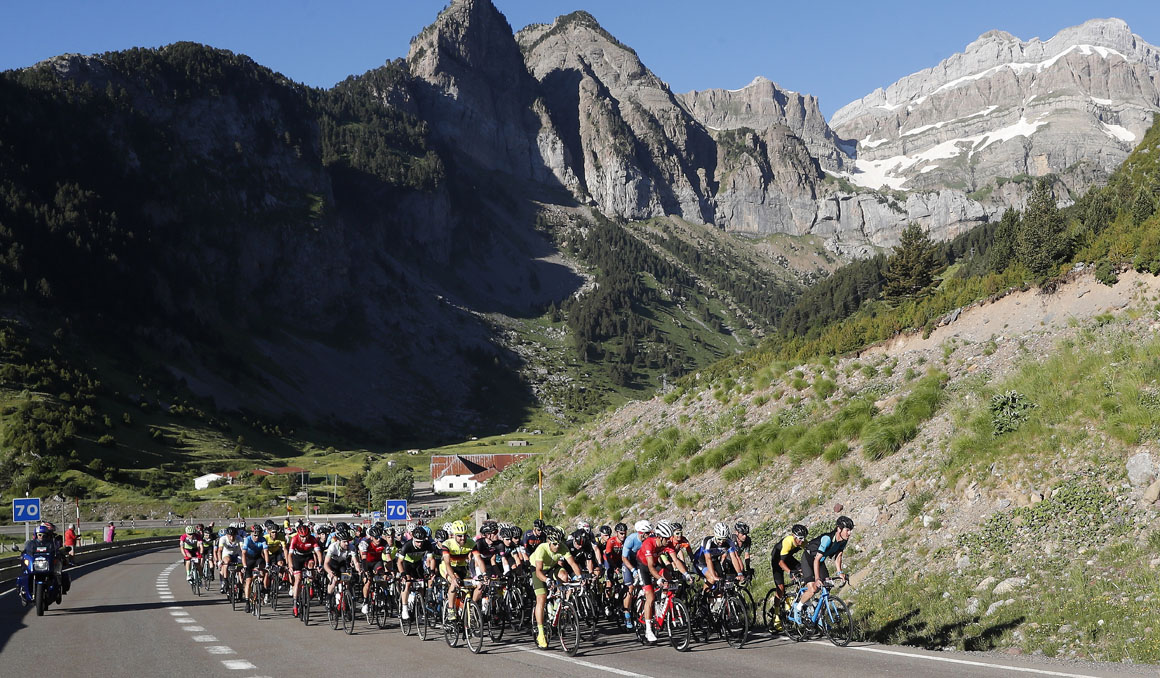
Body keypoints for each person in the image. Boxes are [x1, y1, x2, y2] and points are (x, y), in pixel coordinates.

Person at [794, 516, 854, 621]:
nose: (849, 533)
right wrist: (817, 578)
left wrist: (840, 572)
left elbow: (838, 557)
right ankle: (798, 607)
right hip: (808, 559)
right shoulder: (827, 539)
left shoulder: (843, 541)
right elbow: (816, 560)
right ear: (839, 529)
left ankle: (818, 616)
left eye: (850, 530)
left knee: (827, 585)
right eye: (847, 530)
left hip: (819, 561)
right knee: (813, 589)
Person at [529, 526, 579, 649]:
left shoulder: (563, 548)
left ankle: (558, 604)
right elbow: (539, 571)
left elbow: (573, 564)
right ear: (549, 542)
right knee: (542, 597)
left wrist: (580, 578)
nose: (557, 546)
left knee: (564, 575)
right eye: (554, 544)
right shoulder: (542, 548)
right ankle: (541, 633)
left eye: (559, 543)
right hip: (538, 570)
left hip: (551, 568)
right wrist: (547, 580)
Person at [440, 520, 478, 620]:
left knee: (468, 587)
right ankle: (451, 609)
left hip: (462, 567)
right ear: (454, 535)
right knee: (455, 582)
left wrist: (481, 574)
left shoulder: (470, 543)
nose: (463, 538)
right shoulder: (447, 544)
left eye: (464, 535)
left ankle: (463, 608)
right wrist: (452, 577)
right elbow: (447, 563)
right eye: (460, 536)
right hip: (447, 568)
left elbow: (478, 559)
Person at [288, 523, 322, 618]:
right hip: (297, 557)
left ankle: (311, 584)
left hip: (307, 556)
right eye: (302, 537)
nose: (304, 539)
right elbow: (290, 555)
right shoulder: (294, 539)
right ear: (298, 535)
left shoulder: (312, 539)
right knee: (298, 579)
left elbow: (318, 553)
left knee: (311, 565)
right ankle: (295, 602)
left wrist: (319, 565)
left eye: (306, 536)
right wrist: (290, 566)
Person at [241, 524, 269, 612]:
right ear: (252, 534)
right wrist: (244, 566)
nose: (257, 537)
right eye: (255, 535)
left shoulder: (263, 539)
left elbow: (266, 552)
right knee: (248, 581)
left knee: (261, 568)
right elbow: (243, 554)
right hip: (249, 558)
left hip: (257, 558)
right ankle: (247, 602)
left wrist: (267, 564)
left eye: (258, 535)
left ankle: (260, 584)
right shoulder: (247, 539)